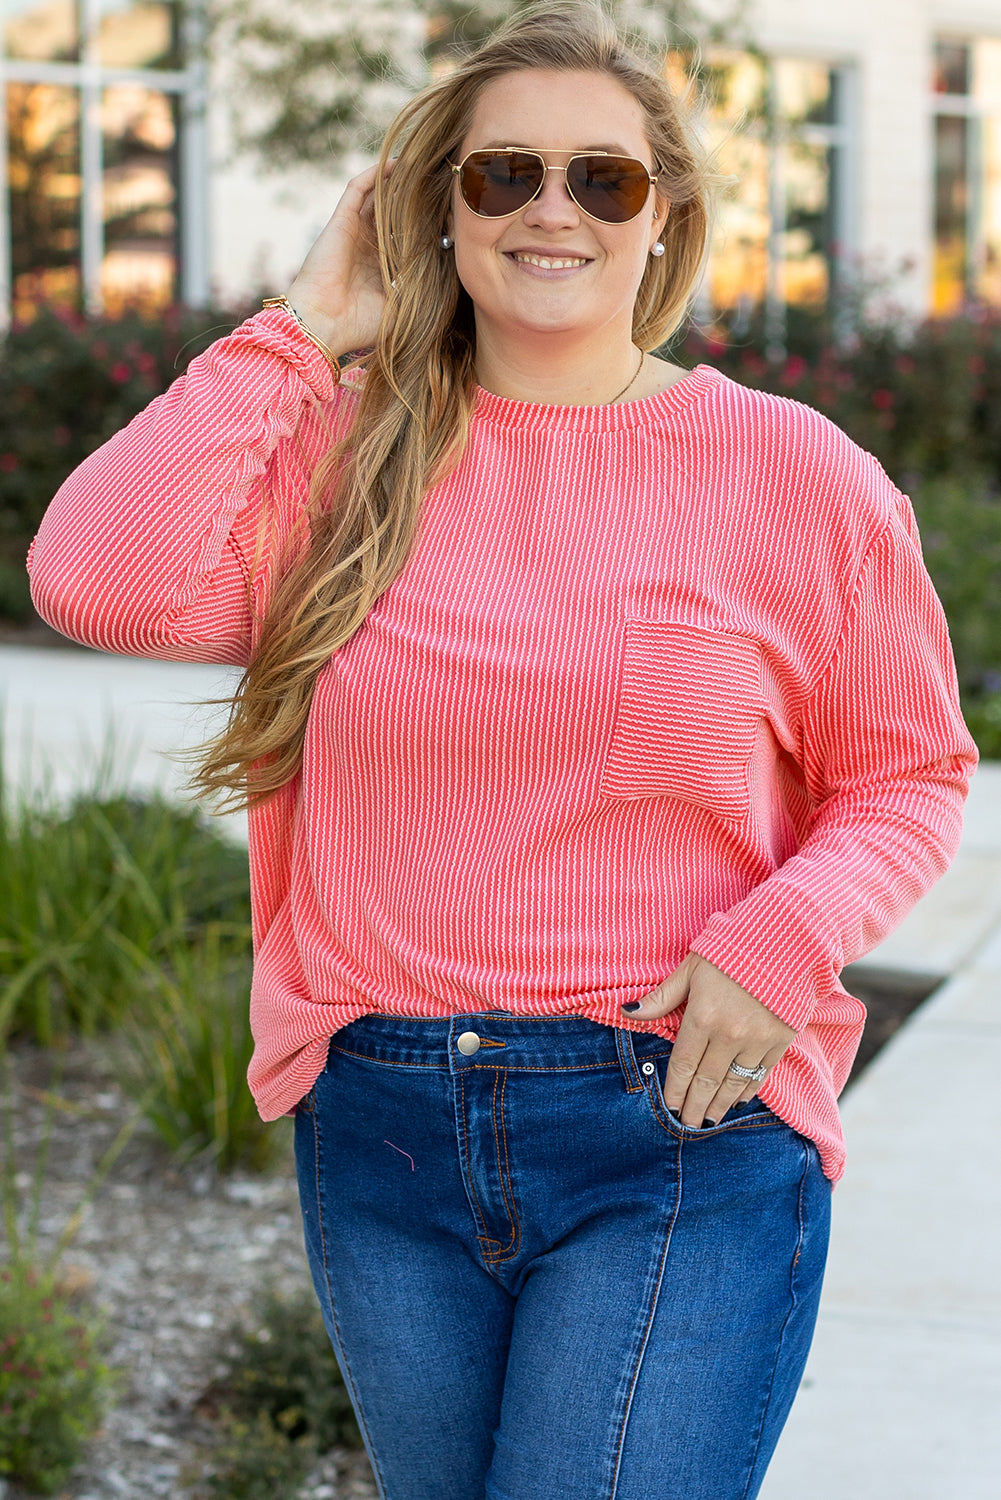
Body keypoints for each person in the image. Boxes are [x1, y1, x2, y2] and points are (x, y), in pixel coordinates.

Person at [28, 3, 977, 1496]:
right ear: (439, 209)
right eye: (503, 175)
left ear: (660, 219)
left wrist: (781, 936)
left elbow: (908, 775)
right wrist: (296, 331)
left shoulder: (791, 474)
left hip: (674, 1120)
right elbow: (94, 576)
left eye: (603, 179)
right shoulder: (342, 452)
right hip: (384, 1129)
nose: (553, 210)